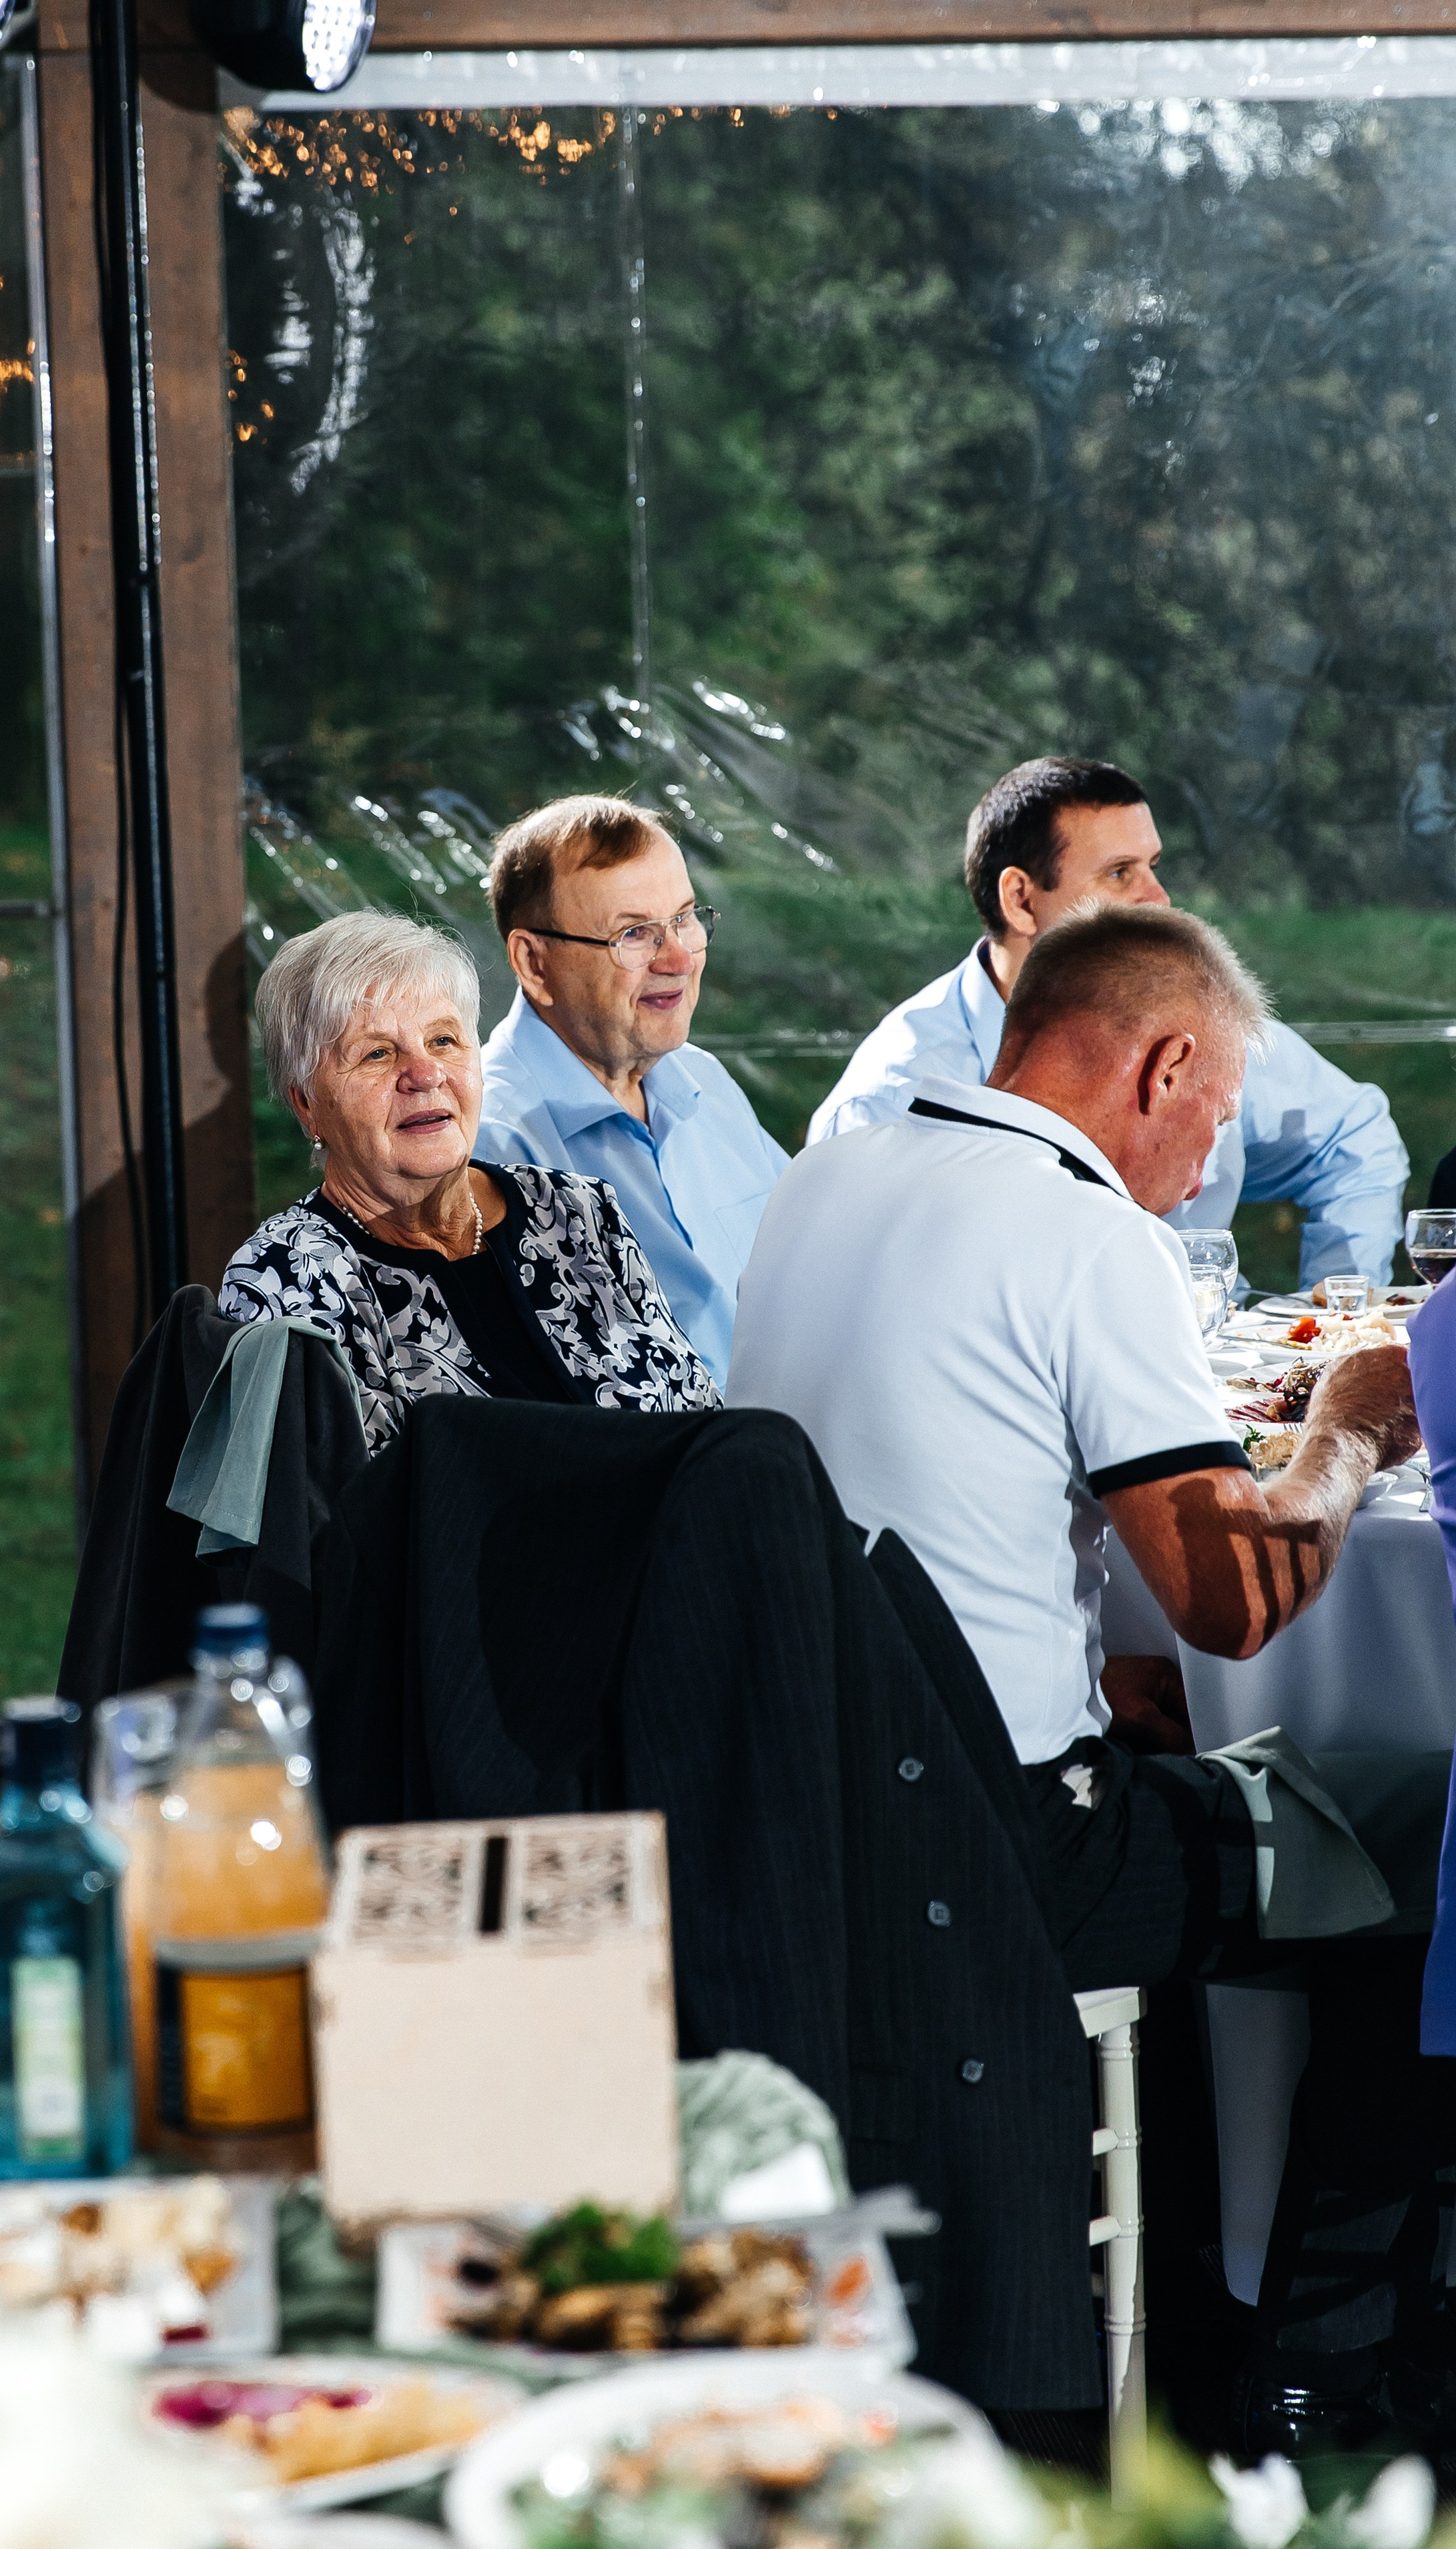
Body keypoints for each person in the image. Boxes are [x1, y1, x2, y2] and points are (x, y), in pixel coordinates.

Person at [730, 902, 1453, 2451]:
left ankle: (1231, 2257)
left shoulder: (828, 1169)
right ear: (1165, 1061)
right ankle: (1319, 2355)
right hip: (1007, 1854)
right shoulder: (1084, 1229)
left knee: (1255, 1782)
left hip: (798, 1803)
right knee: (1438, 1842)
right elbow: (1234, 1600)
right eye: (1215, 1119)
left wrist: (1079, 1659)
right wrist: (1340, 1431)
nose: (1208, 1172)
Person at [807, 756, 1408, 1290]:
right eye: (1120, 873)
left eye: (1153, 865)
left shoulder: (1199, 1025)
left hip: (1214, 1373)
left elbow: (1355, 1138)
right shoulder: (892, 1100)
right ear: (1019, 898)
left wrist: (1331, 1319)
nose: (1159, 899)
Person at [218, 913, 717, 1451]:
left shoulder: (578, 1210)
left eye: (444, 1040)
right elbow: (348, 1514)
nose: (425, 1074)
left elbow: (698, 1412)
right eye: (377, 1053)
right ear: (307, 1105)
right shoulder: (286, 1276)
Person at [474, 794, 788, 1391]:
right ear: (534, 964)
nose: (677, 958)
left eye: (685, 918)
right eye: (635, 933)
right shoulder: (491, 1145)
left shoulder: (707, 1085)